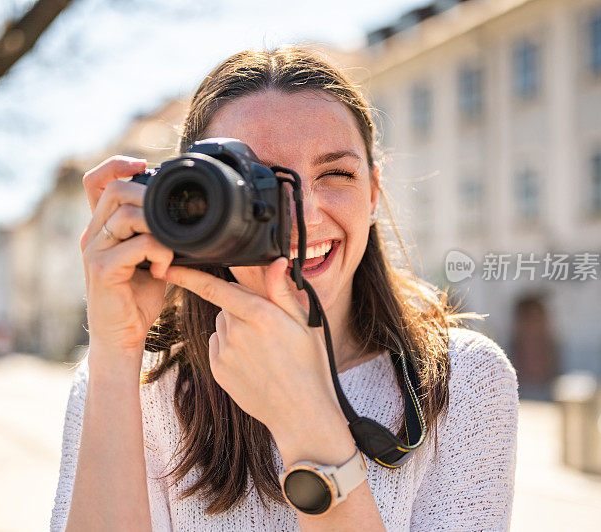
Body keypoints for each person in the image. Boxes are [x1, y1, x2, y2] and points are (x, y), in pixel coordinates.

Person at [50, 47, 519, 532]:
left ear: (374, 192)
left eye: (336, 173)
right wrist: (115, 353)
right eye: (267, 184)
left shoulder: (463, 378)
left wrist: (307, 422)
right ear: (194, 203)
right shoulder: (131, 382)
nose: (307, 214)